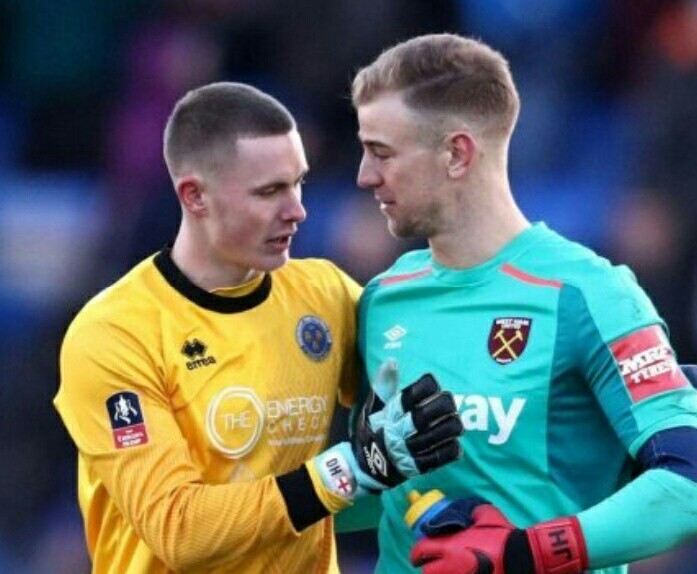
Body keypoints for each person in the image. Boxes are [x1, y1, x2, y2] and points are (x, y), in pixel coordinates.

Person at [345, 34, 697, 574]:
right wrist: (364, 469)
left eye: (382, 153)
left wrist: (522, 554)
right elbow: (368, 505)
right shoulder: (382, 299)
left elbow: (695, 491)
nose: (365, 175)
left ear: (457, 153)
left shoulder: (588, 295)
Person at [53, 82, 462, 573]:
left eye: (299, 183)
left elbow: (412, 431)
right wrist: (348, 471)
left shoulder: (325, 294)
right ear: (195, 196)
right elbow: (179, 530)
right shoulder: (114, 335)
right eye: (270, 191)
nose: (297, 210)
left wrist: (434, 503)